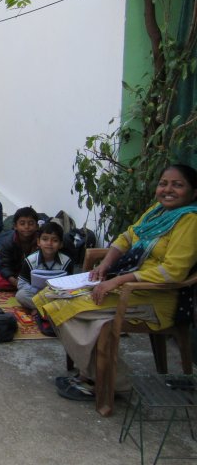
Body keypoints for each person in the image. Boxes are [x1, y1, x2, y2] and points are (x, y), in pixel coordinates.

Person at [36, 164, 197, 401]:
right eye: (164, 183)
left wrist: (119, 279)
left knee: (69, 310)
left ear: (193, 193)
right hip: (127, 287)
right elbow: (127, 237)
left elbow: (173, 271)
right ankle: (99, 376)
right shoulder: (157, 212)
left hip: (154, 297)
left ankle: (109, 382)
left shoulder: (189, 221)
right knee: (49, 296)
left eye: (177, 185)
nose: (168, 189)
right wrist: (105, 265)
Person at [16, 221, 72, 311]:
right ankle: (48, 309)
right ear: (38, 242)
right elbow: (21, 284)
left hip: (57, 295)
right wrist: (35, 291)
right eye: (45, 239)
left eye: (55, 240)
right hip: (36, 294)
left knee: (73, 298)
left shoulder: (66, 261)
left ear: (61, 244)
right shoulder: (30, 260)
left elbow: (70, 285)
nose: (49, 243)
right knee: (21, 295)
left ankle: (42, 309)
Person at [0, 207, 40, 291]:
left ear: (37, 226)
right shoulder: (8, 242)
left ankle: (29, 287)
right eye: (22, 223)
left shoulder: (41, 241)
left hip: (34, 274)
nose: (26, 227)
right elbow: (4, 265)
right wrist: (14, 281)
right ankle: (28, 287)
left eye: (31, 223)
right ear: (15, 226)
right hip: (15, 273)